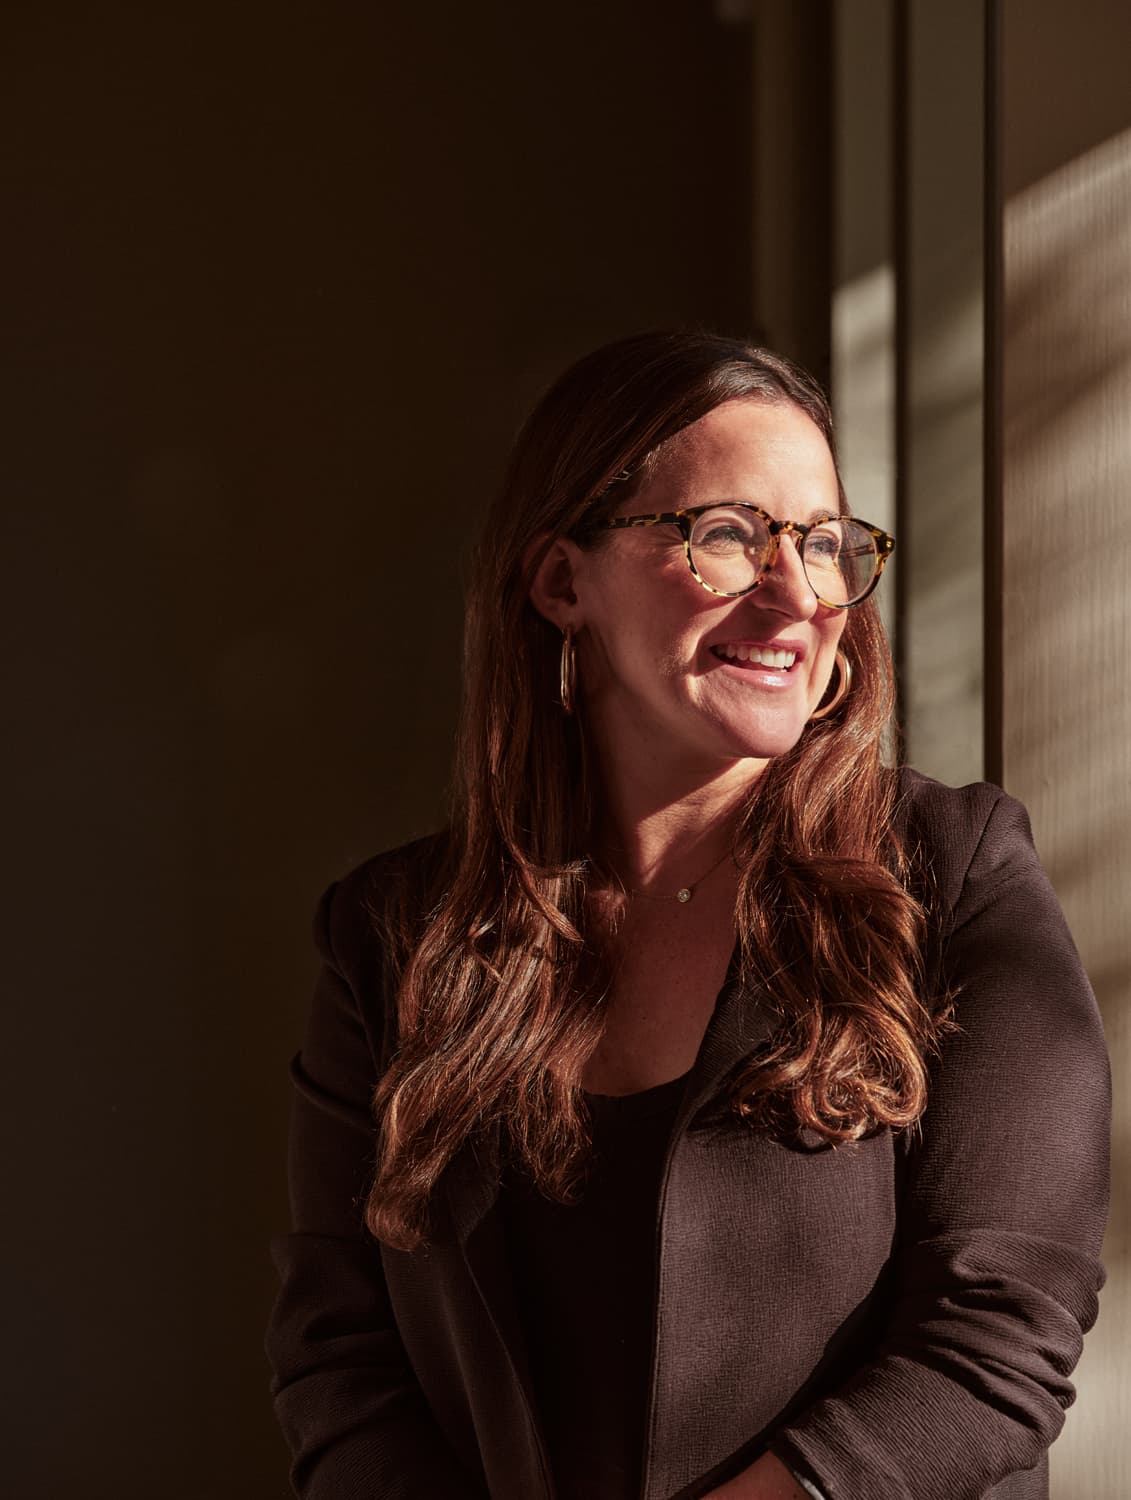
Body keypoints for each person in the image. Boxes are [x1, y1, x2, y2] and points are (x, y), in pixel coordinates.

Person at [264, 331, 1110, 1500]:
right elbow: (342, 1359)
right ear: (563, 583)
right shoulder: (392, 933)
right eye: (726, 535)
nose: (798, 595)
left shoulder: (954, 878)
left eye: (823, 543)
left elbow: (1000, 1335)